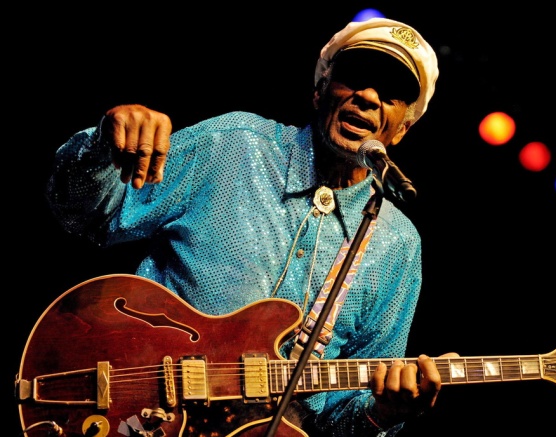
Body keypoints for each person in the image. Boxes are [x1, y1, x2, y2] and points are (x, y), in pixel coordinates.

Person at [45, 17, 458, 437]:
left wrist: (382, 414)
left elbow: (340, 422)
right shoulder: (232, 145)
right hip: (131, 410)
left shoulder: (396, 245)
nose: (368, 96)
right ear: (320, 90)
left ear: (403, 128)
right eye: (355, 77)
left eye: (390, 93)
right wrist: (103, 146)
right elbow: (87, 214)